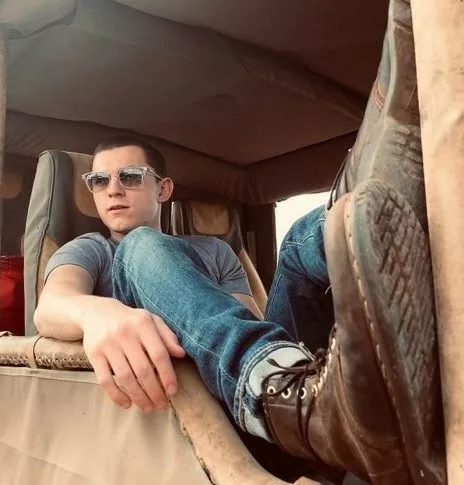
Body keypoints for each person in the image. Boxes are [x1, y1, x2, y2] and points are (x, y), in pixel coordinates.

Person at [33, 0, 445, 483]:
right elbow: (51, 305)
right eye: (98, 181)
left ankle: (382, 210)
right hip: (222, 420)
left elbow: (245, 319)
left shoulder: (216, 251)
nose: (112, 189)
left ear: (163, 189)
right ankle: (280, 392)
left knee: (299, 242)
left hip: (261, 389)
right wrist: (99, 313)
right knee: (140, 244)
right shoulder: (92, 249)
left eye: (129, 176)